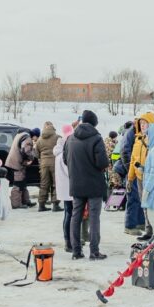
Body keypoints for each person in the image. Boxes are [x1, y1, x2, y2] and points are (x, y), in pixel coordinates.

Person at [65, 110, 109, 260]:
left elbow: (66, 159)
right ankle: (94, 251)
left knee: (75, 216)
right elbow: (102, 162)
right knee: (94, 217)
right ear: (94, 123)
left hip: (76, 183)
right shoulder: (96, 138)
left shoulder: (70, 138)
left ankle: (76, 251)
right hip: (94, 185)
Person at [122, 112, 154, 235]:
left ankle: (141, 223)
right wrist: (131, 171)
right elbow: (126, 153)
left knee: (142, 200)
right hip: (135, 171)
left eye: (145, 123)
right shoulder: (132, 133)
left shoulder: (150, 136)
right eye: (141, 122)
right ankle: (130, 225)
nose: (142, 125)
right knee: (133, 198)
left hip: (146, 173)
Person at [54, 124, 75, 252]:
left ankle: (69, 240)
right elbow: (70, 171)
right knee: (70, 214)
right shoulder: (63, 154)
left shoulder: (59, 152)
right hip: (69, 188)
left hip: (64, 188)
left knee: (68, 214)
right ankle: (69, 242)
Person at [4, 129, 37, 209]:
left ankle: (25, 201)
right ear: (34, 135)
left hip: (15, 161)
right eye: (36, 138)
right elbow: (26, 150)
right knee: (18, 183)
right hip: (17, 163)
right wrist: (31, 158)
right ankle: (16, 204)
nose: (35, 140)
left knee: (23, 182)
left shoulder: (20, 135)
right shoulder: (26, 137)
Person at [35, 122, 59, 211]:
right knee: (56, 184)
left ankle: (41, 205)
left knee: (44, 184)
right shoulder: (57, 137)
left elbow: (36, 153)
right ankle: (55, 204)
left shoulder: (40, 139)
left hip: (44, 164)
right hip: (55, 163)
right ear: (53, 129)